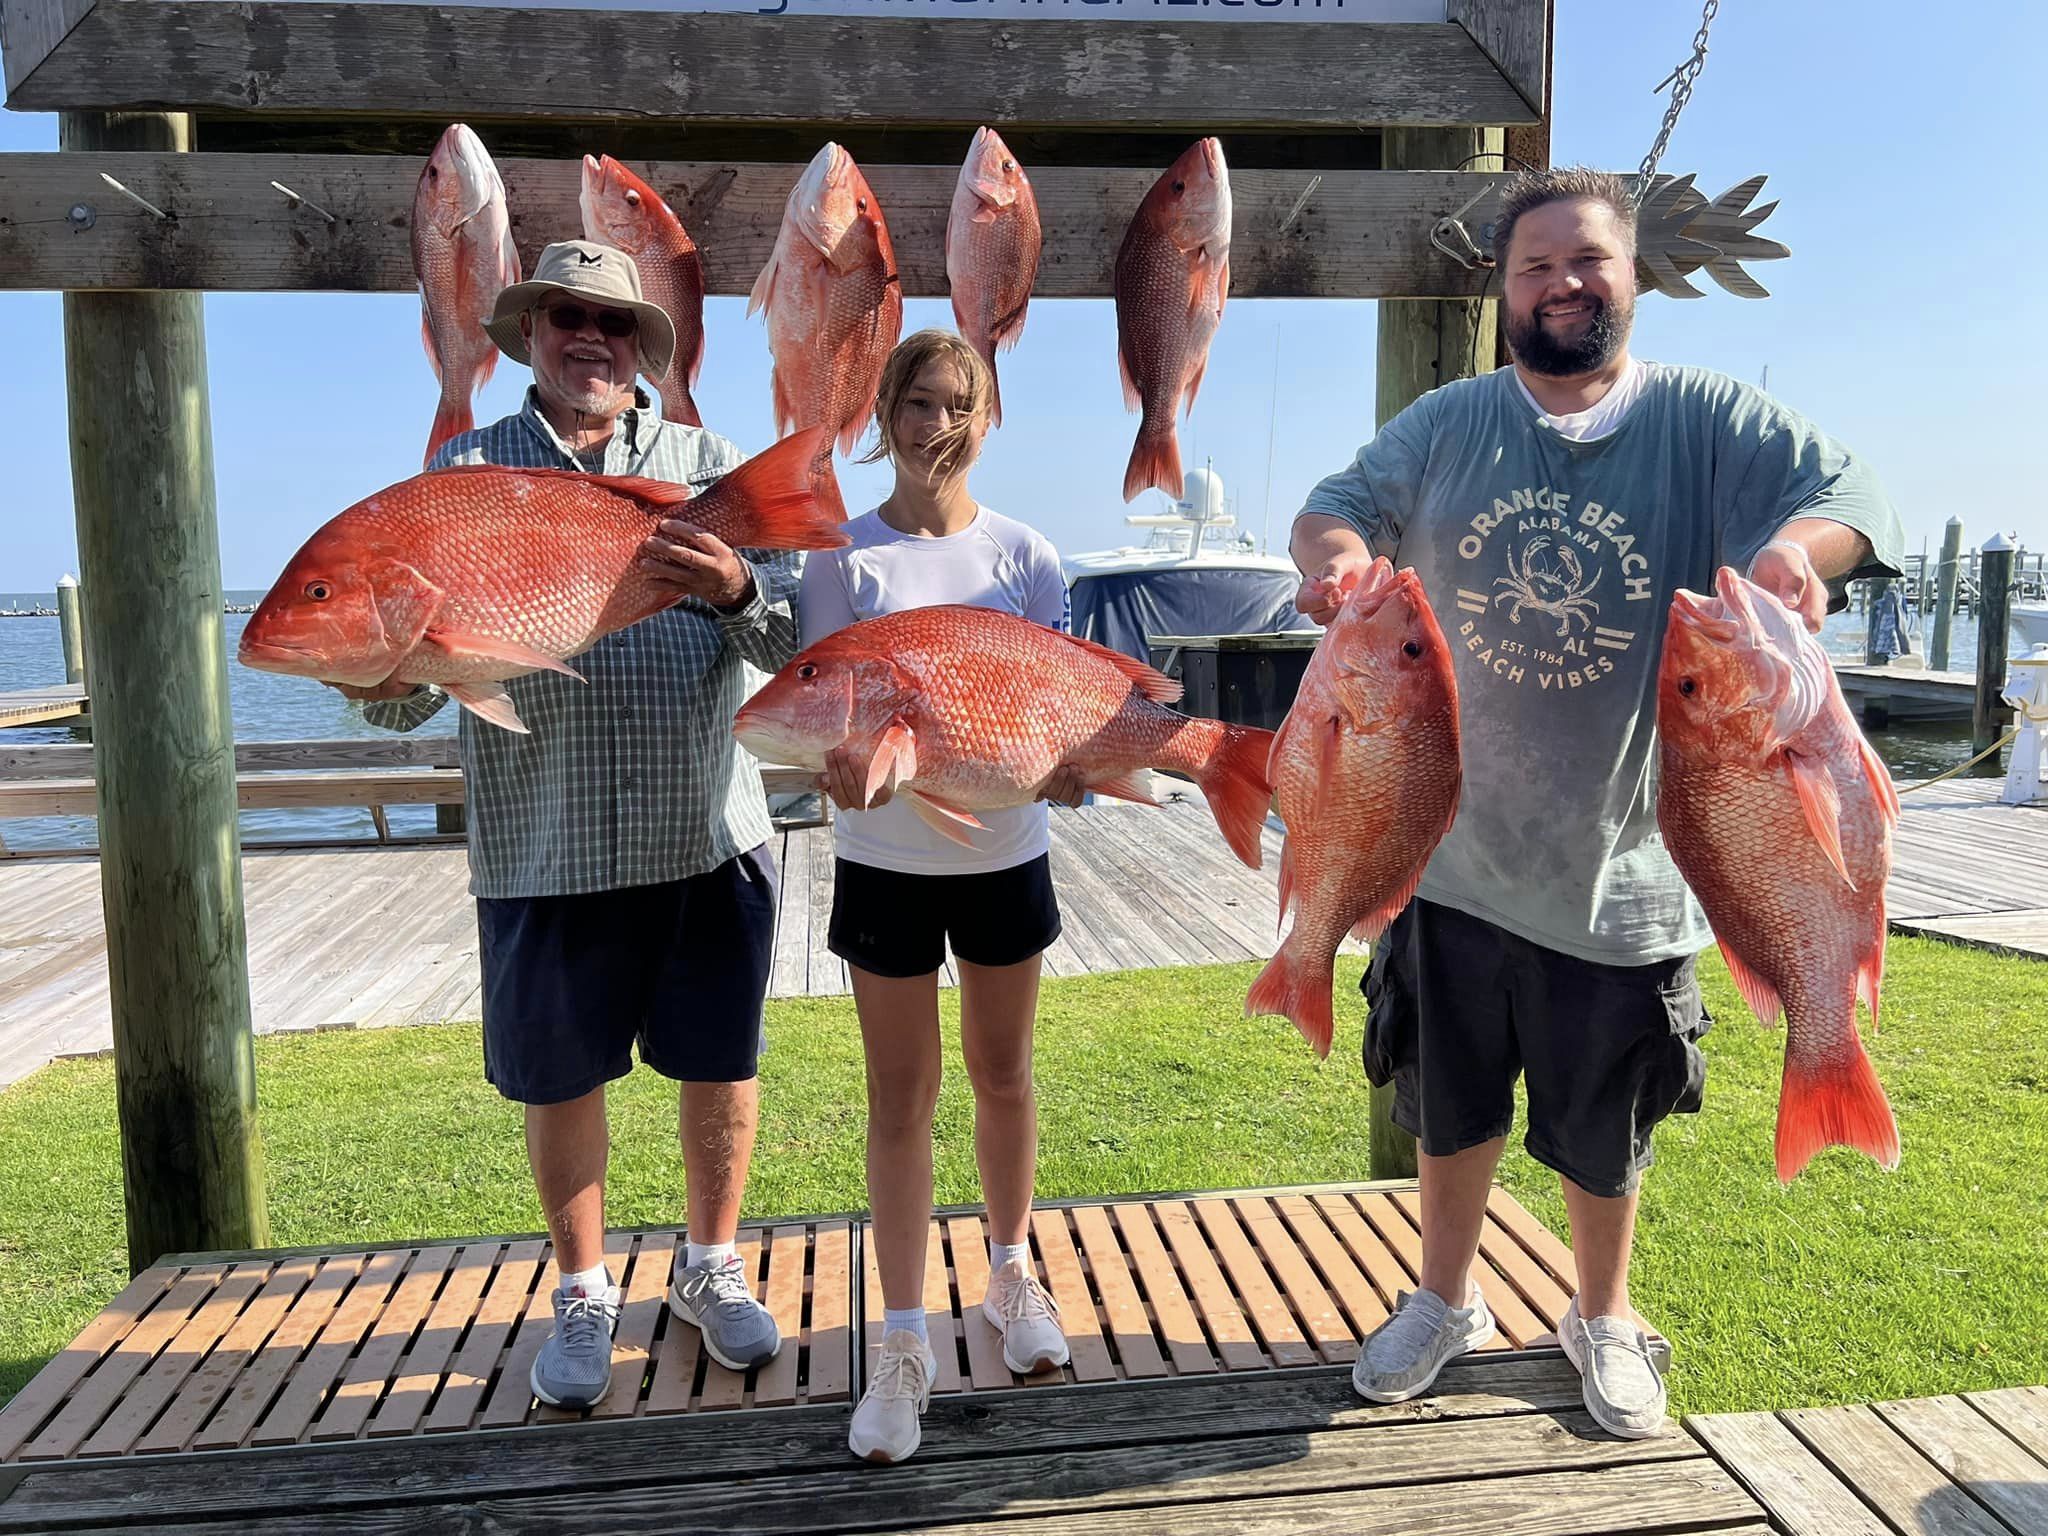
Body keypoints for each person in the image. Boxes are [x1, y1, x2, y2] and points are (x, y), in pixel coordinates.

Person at [1289, 168, 1904, 1439]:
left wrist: (1800, 550)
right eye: (1533, 266)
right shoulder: (1451, 419)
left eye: (1587, 260)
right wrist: (1337, 559)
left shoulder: (1703, 419)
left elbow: (1853, 498)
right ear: (1501, 290)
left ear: (1631, 277)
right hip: (1452, 855)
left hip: (1628, 868)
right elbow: (1335, 508)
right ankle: (1440, 1298)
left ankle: (1603, 1317)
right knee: (1443, 1105)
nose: (1561, 282)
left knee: (1602, 1126)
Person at [340, 239, 795, 1409]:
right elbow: (402, 704)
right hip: (544, 839)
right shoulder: (463, 468)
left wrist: (739, 592)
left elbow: (800, 651)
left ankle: (710, 1265)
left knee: (719, 1063)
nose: (590, 337)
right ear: (529, 335)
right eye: (564, 317)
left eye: (613, 321)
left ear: (644, 344)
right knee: (559, 1079)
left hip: (706, 828)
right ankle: (585, 1288)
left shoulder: (713, 467)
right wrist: (376, 674)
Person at [798, 329, 1083, 1464]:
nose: (939, 425)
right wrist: (840, 759)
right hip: (887, 865)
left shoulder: (1028, 556)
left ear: (989, 415)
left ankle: (1009, 1278)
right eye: (918, 403)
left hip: (1006, 851)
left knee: (1003, 1073)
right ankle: (901, 1341)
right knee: (899, 1100)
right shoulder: (842, 559)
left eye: (961, 404)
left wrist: (1067, 758)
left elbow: (1056, 708)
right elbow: (828, 711)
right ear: (885, 412)